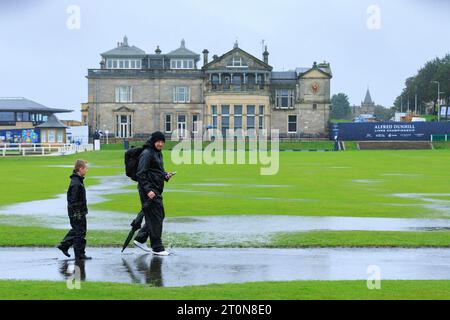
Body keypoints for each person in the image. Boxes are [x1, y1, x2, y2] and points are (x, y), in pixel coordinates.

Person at [134, 131, 175, 256]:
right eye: (158, 141)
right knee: (156, 217)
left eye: (162, 142)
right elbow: (140, 174)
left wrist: (165, 175)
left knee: (158, 216)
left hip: (155, 189)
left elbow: (157, 171)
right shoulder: (147, 153)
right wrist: (148, 190)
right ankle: (157, 248)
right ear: (153, 141)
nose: (161, 144)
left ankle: (140, 238)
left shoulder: (158, 153)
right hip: (149, 191)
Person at [57, 160, 91, 260]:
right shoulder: (76, 183)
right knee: (80, 233)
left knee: (78, 231)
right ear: (80, 169)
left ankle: (64, 245)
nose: (87, 170)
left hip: (79, 212)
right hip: (77, 213)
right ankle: (79, 255)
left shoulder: (78, 180)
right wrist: (77, 213)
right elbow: (73, 200)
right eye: (86, 168)